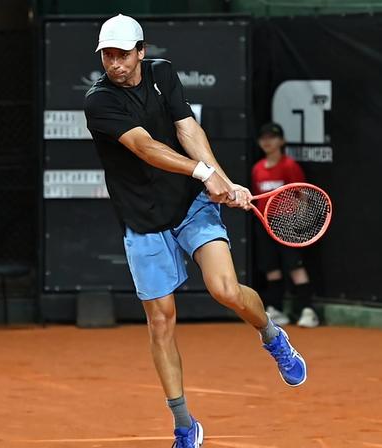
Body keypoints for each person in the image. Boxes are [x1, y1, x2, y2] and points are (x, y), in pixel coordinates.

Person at [83, 14, 307, 448]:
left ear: (141, 51)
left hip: (190, 204)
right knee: (160, 321)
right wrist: (207, 173)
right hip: (142, 219)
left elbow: (188, 128)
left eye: (123, 54)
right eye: (108, 55)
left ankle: (272, 337)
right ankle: (185, 425)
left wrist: (220, 179)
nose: (116, 64)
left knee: (225, 289)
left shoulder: (163, 73)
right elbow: (145, 147)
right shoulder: (99, 101)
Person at [251, 122, 320, 328]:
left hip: (288, 223)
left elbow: (303, 195)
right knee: (271, 268)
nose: (267, 142)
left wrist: (299, 220)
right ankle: (276, 310)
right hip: (265, 223)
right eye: (263, 138)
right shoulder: (257, 169)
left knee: (295, 267)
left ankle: (308, 311)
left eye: (272, 138)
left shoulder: (289, 166)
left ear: (281, 141)